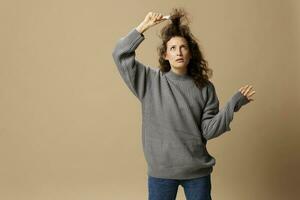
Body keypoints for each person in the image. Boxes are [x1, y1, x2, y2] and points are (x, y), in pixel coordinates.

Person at [112, 8, 255, 200]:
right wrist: (143, 27)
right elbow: (120, 53)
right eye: (172, 48)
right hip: (161, 172)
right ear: (165, 55)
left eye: (183, 47)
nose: (178, 52)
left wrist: (233, 104)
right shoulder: (150, 81)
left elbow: (209, 130)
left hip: (197, 172)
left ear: (190, 53)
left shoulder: (205, 88)